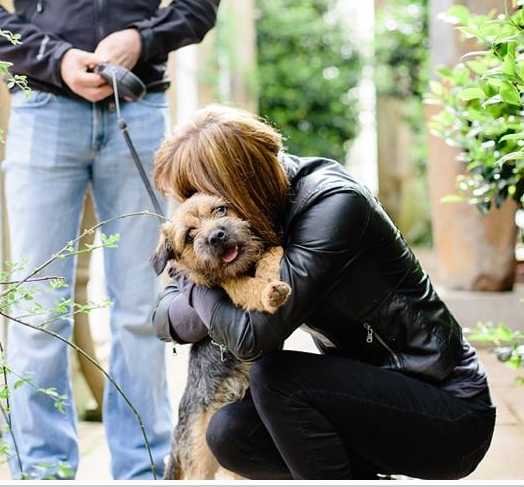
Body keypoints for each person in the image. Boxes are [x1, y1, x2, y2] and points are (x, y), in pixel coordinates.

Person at [0, 0, 220, 480]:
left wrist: (144, 39)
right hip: (43, 112)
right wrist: (54, 58)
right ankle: (43, 473)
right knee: (37, 309)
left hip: (140, 110)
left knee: (142, 311)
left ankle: (142, 471)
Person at [152, 105, 497, 480]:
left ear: (241, 181)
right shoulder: (252, 225)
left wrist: (196, 272)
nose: (209, 224)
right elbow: (163, 318)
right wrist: (192, 268)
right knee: (232, 432)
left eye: (213, 201)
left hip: (448, 410)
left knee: (276, 377)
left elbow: (253, 339)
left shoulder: (333, 205)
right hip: (368, 400)